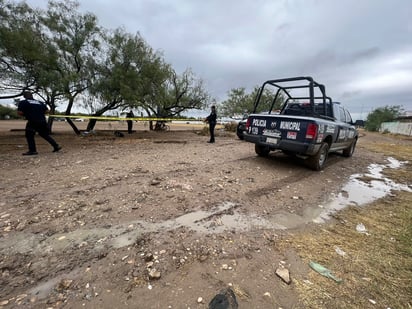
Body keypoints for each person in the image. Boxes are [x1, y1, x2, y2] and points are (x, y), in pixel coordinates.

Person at [17, 90, 61, 156]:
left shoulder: (23, 102)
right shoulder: (39, 102)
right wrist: (39, 113)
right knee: (44, 134)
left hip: (32, 121)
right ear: (32, 95)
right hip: (42, 121)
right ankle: (56, 146)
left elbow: (20, 112)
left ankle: (32, 150)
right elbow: (47, 111)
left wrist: (27, 114)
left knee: (29, 135)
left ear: (24, 96)